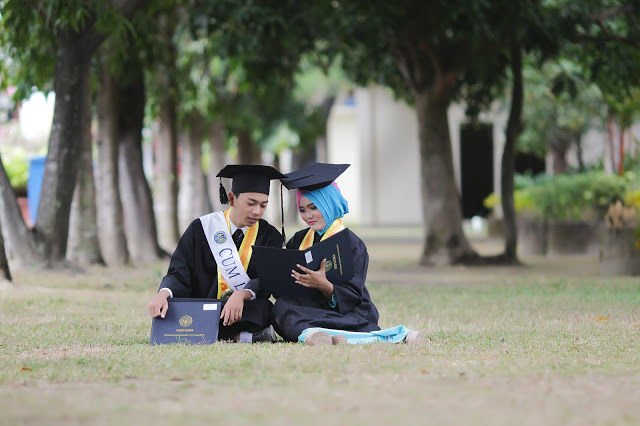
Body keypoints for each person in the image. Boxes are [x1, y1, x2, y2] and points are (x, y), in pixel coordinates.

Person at [247, 163, 420, 346]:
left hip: (346, 311)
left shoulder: (352, 243)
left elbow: (354, 295)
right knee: (282, 308)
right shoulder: (298, 239)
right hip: (310, 310)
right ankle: (322, 335)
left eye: (314, 207)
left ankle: (391, 336)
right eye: (302, 210)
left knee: (351, 320)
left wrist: (325, 286)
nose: (308, 216)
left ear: (328, 203)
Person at [147, 165, 284, 343]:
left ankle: (213, 333)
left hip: (242, 310)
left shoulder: (270, 236)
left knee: (264, 308)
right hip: (202, 307)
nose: (257, 211)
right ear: (231, 198)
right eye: (251, 203)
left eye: (263, 205)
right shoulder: (201, 228)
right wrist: (163, 293)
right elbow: (179, 272)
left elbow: (267, 279)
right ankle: (243, 337)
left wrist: (242, 294)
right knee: (174, 308)